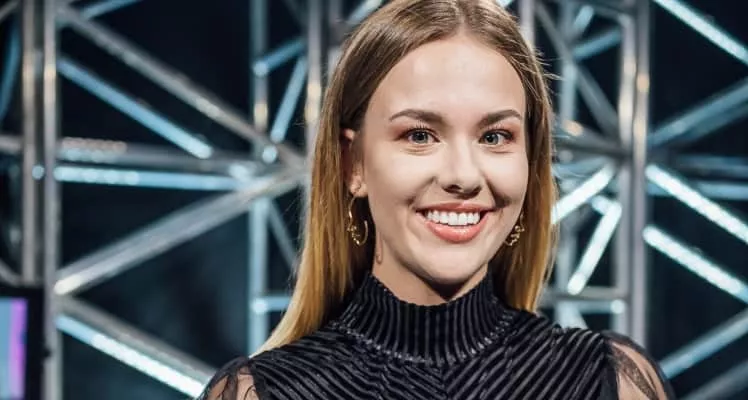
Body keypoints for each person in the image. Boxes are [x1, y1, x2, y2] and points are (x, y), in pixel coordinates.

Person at [198, 0, 675, 398]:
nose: (463, 176)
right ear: (352, 164)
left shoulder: (611, 381)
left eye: (494, 136)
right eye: (420, 135)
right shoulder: (262, 393)